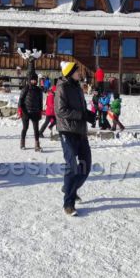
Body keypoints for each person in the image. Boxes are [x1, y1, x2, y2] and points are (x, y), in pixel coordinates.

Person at [56, 61, 92, 216]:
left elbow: (81, 108)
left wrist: (89, 115)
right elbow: (61, 110)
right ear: (70, 73)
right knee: (72, 167)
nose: (80, 73)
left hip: (80, 132)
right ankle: (68, 204)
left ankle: (69, 187)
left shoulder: (78, 87)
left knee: (86, 167)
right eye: (77, 71)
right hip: (67, 131)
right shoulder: (62, 88)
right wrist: (81, 115)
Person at [18, 73, 43, 151]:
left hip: (35, 112)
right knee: (25, 128)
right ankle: (22, 143)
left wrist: (40, 112)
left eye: (35, 80)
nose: (33, 81)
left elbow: (40, 102)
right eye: (32, 80)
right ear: (29, 80)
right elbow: (20, 100)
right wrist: (22, 110)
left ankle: (37, 144)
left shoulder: (38, 90)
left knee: (36, 129)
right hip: (26, 112)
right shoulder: (25, 89)